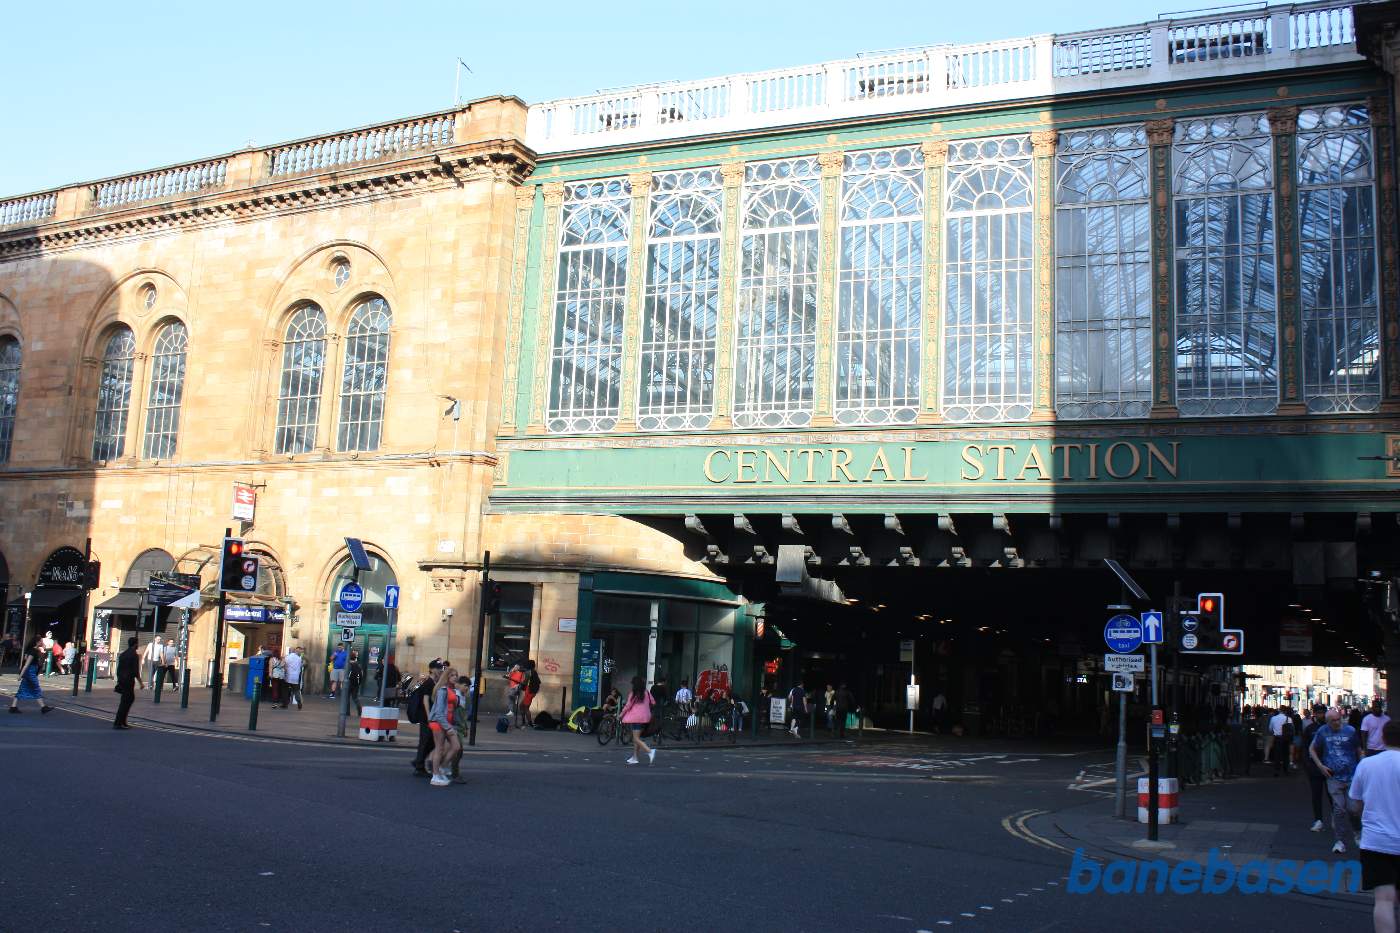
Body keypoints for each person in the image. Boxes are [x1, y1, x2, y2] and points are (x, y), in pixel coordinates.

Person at [1349, 720, 1400, 933]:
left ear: (1382, 738)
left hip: (1376, 842)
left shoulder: (1367, 764)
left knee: (1384, 900)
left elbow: (1355, 803)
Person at [1310, 707, 1362, 855]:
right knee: (1339, 810)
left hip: (1351, 775)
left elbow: (1358, 749)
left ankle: (1357, 832)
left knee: (1353, 809)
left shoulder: (1350, 731)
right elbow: (1312, 749)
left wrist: (1362, 765)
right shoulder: (1323, 732)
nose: (1337, 723)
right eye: (1333, 721)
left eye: (1338, 719)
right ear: (1327, 722)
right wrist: (1320, 766)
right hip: (1333, 776)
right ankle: (1340, 841)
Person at [410, 660, 443, 778]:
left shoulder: (435, 682)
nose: (440, 670)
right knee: (425, 741)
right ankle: (419, 766)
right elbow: (425, 700)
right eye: (438, 668)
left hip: (432, 717)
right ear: (432, 669)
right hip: (426, 717)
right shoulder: (428, 683)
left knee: (432, 742)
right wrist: (429, 716)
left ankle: (419, 761)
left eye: (441, 668)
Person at [1302, 704, 1328, 832]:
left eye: (1323, 713)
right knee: (1316, 795)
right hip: (1315, 767)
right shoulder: (1310, 729)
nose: (1321, 715)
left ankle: (1336, 818)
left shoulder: (1330, 728)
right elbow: (1305, 748)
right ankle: (1318, 820)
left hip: (1330, 767)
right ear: (1315, 714)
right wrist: (1308, 765)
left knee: (1333, 796)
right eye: (1319, 713)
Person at [8, 642, 54, 714]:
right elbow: (26, 664)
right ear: (37, 642)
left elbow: (31, 660)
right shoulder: (33, 651)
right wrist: (20, 675)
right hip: (30, 673)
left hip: (30, 672)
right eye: (41, 641)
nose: (42, 642)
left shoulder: (34, 650)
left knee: (22, 689)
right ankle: (43, 707)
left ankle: (13, 707)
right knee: (36, 688)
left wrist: (43, 649)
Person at [620, 675, 656, 765]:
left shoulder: (634, 693)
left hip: (636, 718)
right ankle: (635, 757)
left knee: (636, 738)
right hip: (646, 717)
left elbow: (628, 706)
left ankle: (650, 751)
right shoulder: (646, 692)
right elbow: (653, 702)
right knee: (637, 738)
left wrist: (621, 714)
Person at [113, 636, 144, 730]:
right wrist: (141, 683)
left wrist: (119, 680)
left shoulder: (123, 654)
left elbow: (118, 670)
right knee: (126, 701)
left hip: (122, 680)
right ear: (135, 644)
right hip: (128, 680)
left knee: (126, 700)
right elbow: (135, 671)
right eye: (137, 643)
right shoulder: (134, 655)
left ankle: (122, 722)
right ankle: (119, 723)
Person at [447, 675, 472, 785]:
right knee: (458, 751)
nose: (466, 688)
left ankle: (439, 767)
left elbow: (463, 716)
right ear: (458, 685)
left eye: (468, 686)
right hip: (455, 728)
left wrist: (465, 728)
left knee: (456, 752)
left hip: (460, 728)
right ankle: (454, 774)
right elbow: (452, 714)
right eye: (465, 685)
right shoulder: (455, 696)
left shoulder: (463, 697)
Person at [1269, 705, 1293, 777]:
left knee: (1277, 755)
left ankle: (1276, 770)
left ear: (1279, 710)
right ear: (1285, 711)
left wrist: (1275, 731)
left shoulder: (1273, 718)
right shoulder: (1289, 719)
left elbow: (1270, 729)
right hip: (1286, 738)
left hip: (1277, 738)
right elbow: (1292, 729)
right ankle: (1286, 769)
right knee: (1286, 754)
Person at [520, 660, 540, 728]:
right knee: (521, 706)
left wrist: (521, 685)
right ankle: (524, 722)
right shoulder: (533, 672)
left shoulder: (529, 672)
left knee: (525, 707)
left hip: (530, 692)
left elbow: (525, 682)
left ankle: (529, 723)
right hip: (530, 691)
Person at [506, 662, 526, 727]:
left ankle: (512, 711)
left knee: (511, 697)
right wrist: (512, 671)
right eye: (515, 666)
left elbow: (522, 680)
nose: (515, 667)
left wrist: (518, 685)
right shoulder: (513, 672)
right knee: (511, 698)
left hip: (516, 687)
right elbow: (508, 676)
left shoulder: (521, 673)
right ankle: (511, 710)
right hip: (512, 686)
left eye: (516, 667)